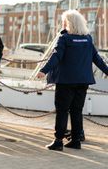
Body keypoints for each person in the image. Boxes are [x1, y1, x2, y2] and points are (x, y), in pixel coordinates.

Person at [37, 10, 108, 151]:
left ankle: (58, 141)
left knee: (62, 111)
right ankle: (76, 140)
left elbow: (56, 56)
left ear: (68, 23)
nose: (62, 24)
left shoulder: (65, 39)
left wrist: (43, 70)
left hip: (66, 81)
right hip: (83, 81)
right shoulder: (87, 39)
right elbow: (97, 59)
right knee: (77, 111)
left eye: (64, 21)